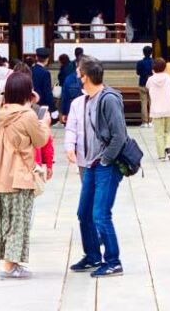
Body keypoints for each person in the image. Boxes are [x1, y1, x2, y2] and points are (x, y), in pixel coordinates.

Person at [68, 56, 128, 278]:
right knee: (84, 213)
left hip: (106, 164)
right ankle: (92, 255)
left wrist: (105, 160)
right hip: (91, 164)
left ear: (86, 77)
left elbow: (119, 135)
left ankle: (113, 260)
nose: (77, 77)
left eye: (79, 73)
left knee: (101, 214)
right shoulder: (86, 100)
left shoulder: (108, 99)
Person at [146, 57, 170, 161]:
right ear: (165, 67)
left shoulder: (150, 79)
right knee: (169, 131)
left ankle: (161, 154)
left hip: (156, 110)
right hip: (169, 108)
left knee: (158, 133)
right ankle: (169, 149)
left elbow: (148, 88)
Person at [60, 48, 84, 123]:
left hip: (72, 109)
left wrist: (65, 112)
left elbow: (65, 97)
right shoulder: (90, 77)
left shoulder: (69, 67)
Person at [31, 48, 56, 119]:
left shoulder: (30, 69)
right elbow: (47, 91)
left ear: (36, 57)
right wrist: (53, 108)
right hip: (42, 104)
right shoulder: (45, 73)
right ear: (47, 59)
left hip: (31, 102)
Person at [136, 46, 154, 128]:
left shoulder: (140, 63)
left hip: (142, 83)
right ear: (151, 53)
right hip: (152, 84)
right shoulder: (154, 62)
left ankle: (144, 122)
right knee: (152, 102)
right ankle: (151, 121)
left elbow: (138, 72)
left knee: (143, 103)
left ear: (143, 52)